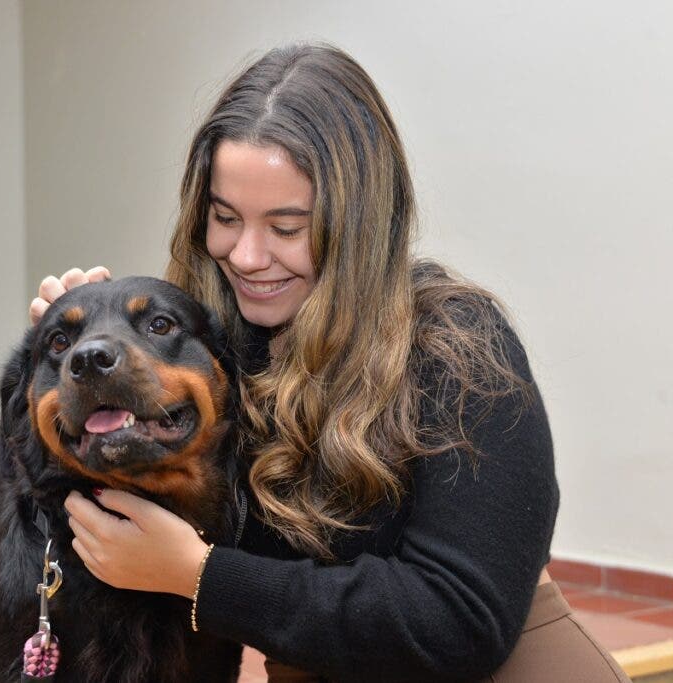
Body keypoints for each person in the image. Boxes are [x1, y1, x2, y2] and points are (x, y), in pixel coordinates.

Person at [36, 44, 629, 682]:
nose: (247, 256)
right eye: (225, 217)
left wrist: (202, 579)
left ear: (359, 223)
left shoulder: (456, 345)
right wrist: (83, 365)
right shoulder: (215, 348)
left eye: (288, 228)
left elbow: (459, 620)